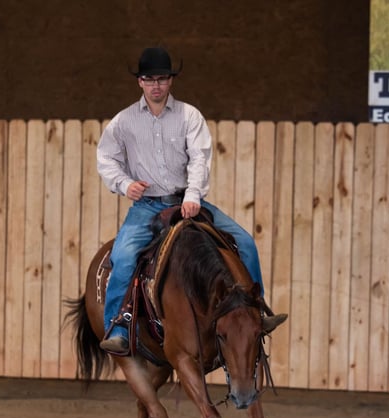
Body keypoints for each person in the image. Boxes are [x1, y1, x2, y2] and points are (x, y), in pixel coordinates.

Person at [96, 46, 286, 354]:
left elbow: (200, 158)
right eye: (149, 79)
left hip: (188, 200)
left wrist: (194, 195)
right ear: (140, 82)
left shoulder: (189, 116)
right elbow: (106, 158)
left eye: (162, 78)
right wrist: (124, 183)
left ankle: (256, 311)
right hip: (148, 206)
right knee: (124, 254)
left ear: (171, 81)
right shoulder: (124, 122)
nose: (156, 85)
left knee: (246, 242)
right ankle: (118, 326)